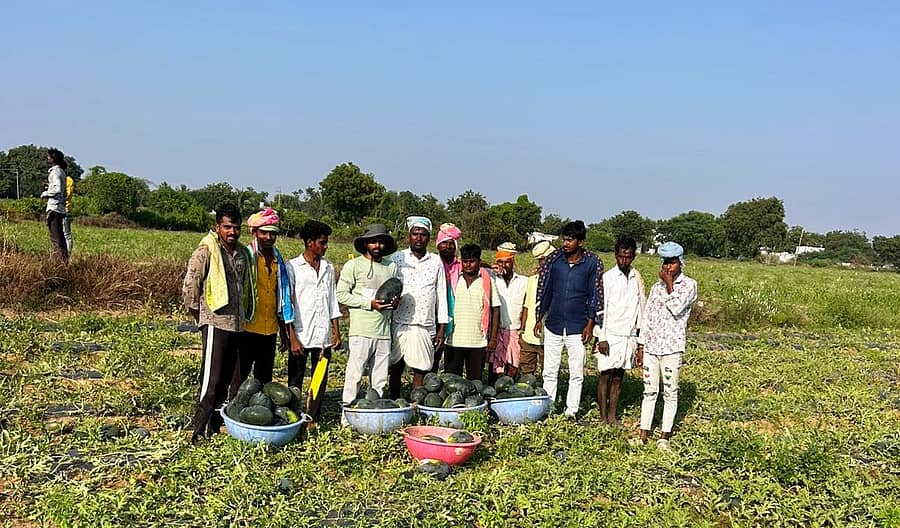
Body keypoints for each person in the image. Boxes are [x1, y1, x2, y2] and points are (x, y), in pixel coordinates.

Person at [182, 203, 253, 444]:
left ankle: (214, 425)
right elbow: (191, 285)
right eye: (227, 227)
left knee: (226, 381)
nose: (232, 232)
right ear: (217, 227)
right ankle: (197, 429)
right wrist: (200, 317)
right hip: (215, 322)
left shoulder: (243, 254)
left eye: (236, 227)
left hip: (237, 324)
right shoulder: (207, 251)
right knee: (211, 380)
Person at [535, 220, 604, 418]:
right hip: (554, 323)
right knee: (549, 371)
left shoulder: (592, 262)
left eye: (570, 240)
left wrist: (590, 324)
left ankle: (571, 411)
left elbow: (594, 294)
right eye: (564, 239)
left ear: (580, 242)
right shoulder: (554, 260)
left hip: (578, 326)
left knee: (576, 373)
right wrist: (539, 317)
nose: (565, 243)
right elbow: (545, 289)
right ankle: (548, 409)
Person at [634, 242, 697, 451]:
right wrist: (641, 345)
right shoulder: (656, 287)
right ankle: (643, 434)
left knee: (670, 391)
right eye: (665, 263)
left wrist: (669, 284)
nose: (668, 267)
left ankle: (664, 436)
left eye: (672, 263)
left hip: (672, 347)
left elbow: (677, 307)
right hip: (652, 346)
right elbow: (648, 317)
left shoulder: (689, 285)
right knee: (649, 391)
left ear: (680, 263)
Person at [228, 208, 296, 398]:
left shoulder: (278, 260)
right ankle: (234, 408)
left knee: (264, 377)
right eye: (264, 232)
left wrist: (283, 330)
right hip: (247, 327)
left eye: (272, 233)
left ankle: (258, 411)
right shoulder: (246, 256)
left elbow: (281, 296)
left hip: (269, 329)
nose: (268, 237)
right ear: (255, 232)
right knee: (240, 376)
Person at [336, 224, 399, 419]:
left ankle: (374, 415)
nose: (377, 245)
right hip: (361, 331)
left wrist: (395, 302)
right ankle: (347, 417)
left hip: (384, 332)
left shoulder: (391, 266)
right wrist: (369, 304)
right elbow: (341, 295)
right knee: (354, 375)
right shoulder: (353, 265)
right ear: (365, 244)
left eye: (381, 241)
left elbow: (394, 293)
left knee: (379, 378)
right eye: (373, 241)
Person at [286, 220, 342, 424]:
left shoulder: (328, 267)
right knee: (296, 379)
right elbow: (286, 305)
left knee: (319, 378)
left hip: (322, 334)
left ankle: (312, 418)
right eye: (322, 242)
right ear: (310, 242)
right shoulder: (293, 267)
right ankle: (291, 416)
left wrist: (336, 331)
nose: (325, 246)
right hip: (301, 333)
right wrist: (291, 336)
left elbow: (332, 301)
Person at [388, 216, 449, 397]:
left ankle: (416, 403)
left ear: (428, 238)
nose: (418, 238)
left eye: (423, 234)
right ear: (409, 236)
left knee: (420, 368)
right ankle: (394, 401)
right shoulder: (397, 258)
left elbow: (441, 296)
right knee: (396, 366)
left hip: (425, 323)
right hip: (400, 321)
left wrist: (442, 329)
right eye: (415, 234)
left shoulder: (436, 261)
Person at [593, 237, 646, 425]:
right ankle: (602, 416)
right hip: (611, 333)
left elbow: (641, 307)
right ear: (616, 255)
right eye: (621, 256)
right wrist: (602, 337)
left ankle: (612, 416)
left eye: (628, 257)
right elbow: (600, 309)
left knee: (618, 376)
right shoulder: (607, 278)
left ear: (633, 257)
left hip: (628, 334)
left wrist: (640, 339)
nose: (624, 260)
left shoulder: (636, 277)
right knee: (605, 375)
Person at [445, 244, 500, 381]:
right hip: (453, 340)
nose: (468, 265)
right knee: (451, 383)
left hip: (477, 342)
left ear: (479, 262)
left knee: (474, 383)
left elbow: (496, 309)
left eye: (472, 261)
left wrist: (493, 339)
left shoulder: (488, 281)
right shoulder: (454, 279)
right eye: (465, 261)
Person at [488, 242, 528, 382]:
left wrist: (523, 329)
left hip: (514, 332)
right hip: (496, 331)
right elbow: (476, 263)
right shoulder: (491, 277)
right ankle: (492, 397)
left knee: (513, 367)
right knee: (494, 367)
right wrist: (489, 266)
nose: (503, 266)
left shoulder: (523, 281)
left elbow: (525, 307)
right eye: (500, 262)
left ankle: (509, 395)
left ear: (513, 262)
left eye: (507, 262)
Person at [519, 241, 554, 377]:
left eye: (544, 260)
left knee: (549, 372)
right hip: (529, 334)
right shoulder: (533, 280)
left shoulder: (560, 280)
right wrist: (522, 330)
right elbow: (527, 306)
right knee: (526, 371)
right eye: (540, 261)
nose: (542, 264)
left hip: (550, 335)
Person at [434, 222, 462, 372]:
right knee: (434, 354)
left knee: (453, 355)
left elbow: (477, 265)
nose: (448, 246)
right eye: (444, 243)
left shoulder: (461, 265)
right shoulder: (433, 263)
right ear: (438, 246)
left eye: (452, 244)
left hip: (456, 316)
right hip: (435, 315)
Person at [41, 148, 68, 262]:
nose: (47, 158)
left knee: (56, 238)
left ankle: (59, 263)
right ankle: (64, 260)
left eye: (49, 157)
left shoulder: (55, 172)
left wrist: (45, 193)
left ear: (53, 159)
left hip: (54, 207)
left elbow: (57, 189)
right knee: (60, 237)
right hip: (60, 208)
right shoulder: (61, 171)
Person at [63, 173, 75, 254]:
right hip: (63, 209)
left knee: (67, 235)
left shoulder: (68, 180)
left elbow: (67, 194)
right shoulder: (67, 180)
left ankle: (67, 255)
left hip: (65, 209)